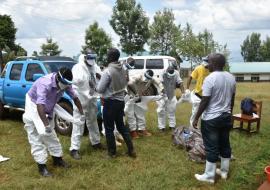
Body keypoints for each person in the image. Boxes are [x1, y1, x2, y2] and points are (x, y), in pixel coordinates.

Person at [23, 67, 84, 177]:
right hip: (34, 105)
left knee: (50, 134)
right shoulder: (44, 83)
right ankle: (42, 167)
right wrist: (45, 125)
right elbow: (39, 104)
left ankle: (57, 160)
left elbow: (75, 98)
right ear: (58, 78)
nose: (66, 86)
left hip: (48, 106)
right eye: (65, 83)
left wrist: (82, 113)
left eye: (68, 83)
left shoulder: (65, 83)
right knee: (37, 135)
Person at [192, 53, 236, 183]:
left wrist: (196, 118)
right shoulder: (231, 77)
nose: (207, 65)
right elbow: (232, 100)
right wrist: (230, 114)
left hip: (211, 119)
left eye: (209, 62)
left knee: (211, 147)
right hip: (226, 116)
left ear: (215, 63)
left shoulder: (210, 78)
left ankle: (209, 176)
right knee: (225, 144)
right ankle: (223, 172)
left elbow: (205, 100)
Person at [96, 48, 136, 158]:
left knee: (109, 128)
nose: (107, 57)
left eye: (108, 55)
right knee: (121, 126)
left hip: (110, 103)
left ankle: (112, 153)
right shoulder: (123, 68)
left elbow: (100, 89)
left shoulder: (108, 71)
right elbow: (124, 81)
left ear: (110, 57)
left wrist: (96, 83)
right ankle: (131, 150)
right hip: (120, 101)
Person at [69, 50, 104, 160]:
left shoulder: (94, 66)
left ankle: (96, 142)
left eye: (93, 59)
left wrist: (99, 76)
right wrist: (77, 101)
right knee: (79, 123)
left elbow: (100, 78)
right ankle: (74, 149)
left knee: (93, 121)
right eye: (90, 58)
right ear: (84, 57)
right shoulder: (77, 68)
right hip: (81, 99)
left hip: (92, 98)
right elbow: (73, 85)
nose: (92, 61)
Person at [126, 69, 163, 138]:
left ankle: (141, 129)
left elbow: (158, 82)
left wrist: (162, 88)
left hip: (139, 97)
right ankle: (132, 132)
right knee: (131, 115)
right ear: (144, 74)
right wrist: (136, 92)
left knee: (140, 113)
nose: (146, 79)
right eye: (146, 77)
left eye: (148, 78)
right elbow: (130, 84)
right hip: (130, 97)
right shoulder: (138, 76)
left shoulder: (151, 79)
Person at [157, 65, 184, 131]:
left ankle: (172, 126)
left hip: (172, 94)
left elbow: (180, 82)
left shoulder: (176, 73)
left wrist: (183, 92)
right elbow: (160, 84)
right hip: (162, 95)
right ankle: (161, 127)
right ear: (166, 71)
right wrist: (164, 94)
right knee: (161, 112)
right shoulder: (162, 73)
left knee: (172, 111)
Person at [186, 58, 209, 128]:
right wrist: (187, 88)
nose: (206, 67)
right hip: (198, 95)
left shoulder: (212, 70)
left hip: (208, 96)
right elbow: (190, 77)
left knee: (206, 114)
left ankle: (204, 128)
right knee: (195, 113)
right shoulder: (198, 68)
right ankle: (192, 128)